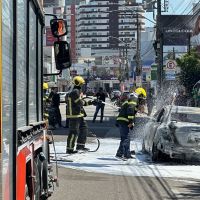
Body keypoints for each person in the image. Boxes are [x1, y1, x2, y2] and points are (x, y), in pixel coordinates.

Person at [66, 76, 94, 154]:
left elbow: (81, 102)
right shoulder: (75, 92)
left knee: (84, 129)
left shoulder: (77, 91)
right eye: (81, 84)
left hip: (79, 115)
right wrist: (91, 103)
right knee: (73, 132)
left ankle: (80, 146)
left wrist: (92, 102)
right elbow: (80, 103)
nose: (82, 86)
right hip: (74, 115)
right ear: (78, 84)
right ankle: (69, 149)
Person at [115, 93, 138, 159]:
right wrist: (131, 122)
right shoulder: (132, 102)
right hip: (124, 122)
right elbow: (130, 111)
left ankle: (119, 153)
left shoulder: (128, 102)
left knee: (124, 138)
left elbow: (132, 112)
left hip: (121, 122)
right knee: (126, 138)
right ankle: (126, 154)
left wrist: (136, 109)